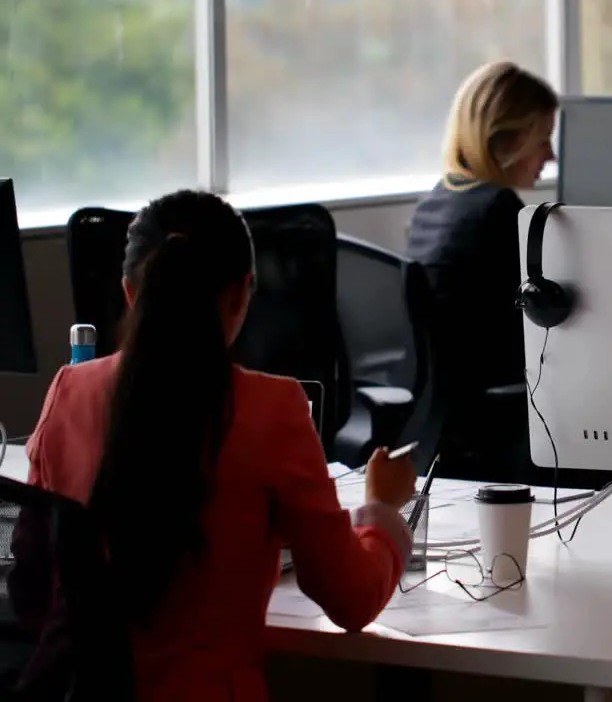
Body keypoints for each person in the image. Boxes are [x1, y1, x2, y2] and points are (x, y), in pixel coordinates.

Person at [12, 190, 416, 702]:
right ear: (243, 294)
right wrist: (380, 510)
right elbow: (351, 600)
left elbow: (30, 586)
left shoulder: (69, 391)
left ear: (129, 293)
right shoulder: (272, 408)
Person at [407, 60, 558, 483]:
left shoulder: (436, 203)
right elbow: (533, 339)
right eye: (543, 139)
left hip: (443, 427)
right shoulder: (498, 212)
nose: (551, 154)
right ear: (504, 140)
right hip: (487, 429)